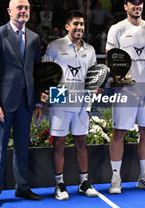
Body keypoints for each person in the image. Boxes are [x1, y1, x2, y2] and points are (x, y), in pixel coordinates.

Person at [0, 0, 43, 207]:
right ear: (9, 11)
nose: (23, 11)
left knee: (22, 148)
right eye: (19, 8)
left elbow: (36, 73)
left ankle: (22, 188)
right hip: (2, 104)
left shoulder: (34, 38)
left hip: (26, 103)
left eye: (26, 8)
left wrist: (37, 103)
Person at [106, 0, 145, 194]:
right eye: (133, 3)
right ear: (126, 6)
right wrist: (117, 78)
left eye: (140, 3)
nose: (137, 6)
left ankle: (144, 177)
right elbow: (111, 59)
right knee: (119, 133)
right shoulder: (117, 29)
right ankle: (115, 178)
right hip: (125, 90)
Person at [43, 11, 99, 200]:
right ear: (67, 26)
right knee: (59, 143)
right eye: (75, 24)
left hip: (82, 101)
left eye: (82, 24)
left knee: (81, 142)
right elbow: (45, 73)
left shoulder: (90, 50)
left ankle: (84, 182)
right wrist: (44, 91)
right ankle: (59, 184)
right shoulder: (54, 46)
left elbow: (93, 76)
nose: (79, 27)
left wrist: (95, 88)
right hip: (59, 98)